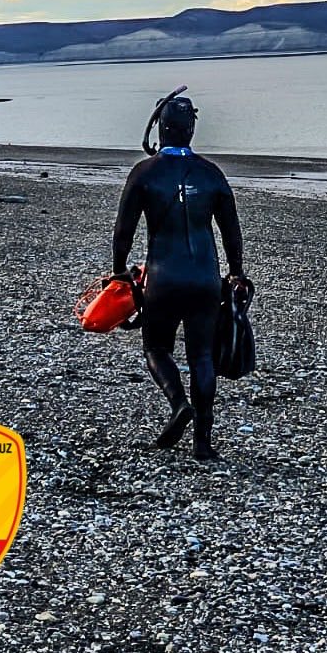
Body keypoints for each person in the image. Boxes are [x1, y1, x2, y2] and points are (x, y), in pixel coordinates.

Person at [112, 93, 245, 462]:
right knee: (202, 356)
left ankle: (178, 403)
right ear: (191, 129)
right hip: (204, 279)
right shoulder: (211, 174)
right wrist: (236, 273)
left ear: (159, 128)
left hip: (163, 279)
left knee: (156, 348)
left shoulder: (144, 173)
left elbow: (123, 230)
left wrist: (119, 270)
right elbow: (231, 232)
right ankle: (203, 443)